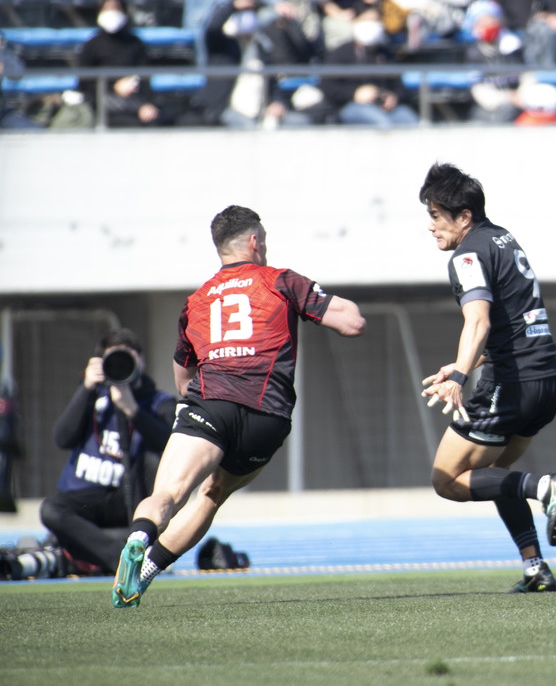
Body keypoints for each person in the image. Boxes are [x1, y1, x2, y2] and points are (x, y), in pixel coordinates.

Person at [111, 205, 366, 608]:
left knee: (169, 493)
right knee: (212, 495)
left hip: (210, 407)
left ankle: (140, 538)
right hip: (267, 417)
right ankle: (145, 573)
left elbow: (183, 376)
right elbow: (352, 322)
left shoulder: (197, 301)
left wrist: (195, 414)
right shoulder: (282, 281)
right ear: (254, 241)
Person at [418, 163, 556, 593]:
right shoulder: (503, 238)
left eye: (436, 216)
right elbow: (512, 321)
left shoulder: (467, 254)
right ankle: (535, 568)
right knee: (495, 475)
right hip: (546, 379)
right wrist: (461, 363)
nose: (430, 226)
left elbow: (480, 320)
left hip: (511, 383)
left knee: (446, 479)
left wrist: (459, 376)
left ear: (464, 216)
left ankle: (544, 487)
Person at [8, 330, 174, 580]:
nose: (120, 365)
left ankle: (109, 552)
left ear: (141, 360)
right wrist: (86, 388)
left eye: (127, 358)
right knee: (51, 509)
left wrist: (133, 410)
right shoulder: (93, 396)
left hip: (131, 501)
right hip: (87, 500)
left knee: (155, 461)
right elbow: (62, 438)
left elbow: (170, 445)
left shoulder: (159, 401)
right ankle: (122, 558)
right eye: (112, 360)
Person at [50, 0, 164, 129]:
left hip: (133, 101)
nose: (112, 13)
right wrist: (113, 87)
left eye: (116, 8)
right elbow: (85, 84)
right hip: (102, 105)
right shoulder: (92, 45)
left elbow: (145, 78)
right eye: (107, 8)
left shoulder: (135, 44)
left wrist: (146, 104)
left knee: (153, 120)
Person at [317, 7, 419, 128]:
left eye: (375, 21)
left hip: (384, 107)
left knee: (410, 121)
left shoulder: (385, 54)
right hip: (351, 106)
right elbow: (327, 86)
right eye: (366, 20)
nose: (372, 25)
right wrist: (354, 93)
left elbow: (399, 86)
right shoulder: (340, 53)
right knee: (382, 124)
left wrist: (394, 97)